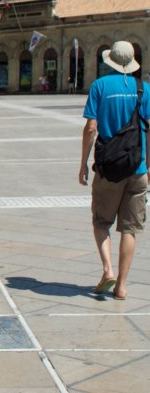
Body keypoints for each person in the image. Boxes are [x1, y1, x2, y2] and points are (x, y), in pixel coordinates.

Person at [78, 41, 149, 301]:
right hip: (137, 167)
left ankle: (107, 268)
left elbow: (90, 128)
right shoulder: (144, 89)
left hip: (108, 169)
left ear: (110, 61)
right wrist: (148, 167)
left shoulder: (99, 86)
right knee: (129, 229)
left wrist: (83, 164)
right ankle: (122, 285)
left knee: (101, 222)